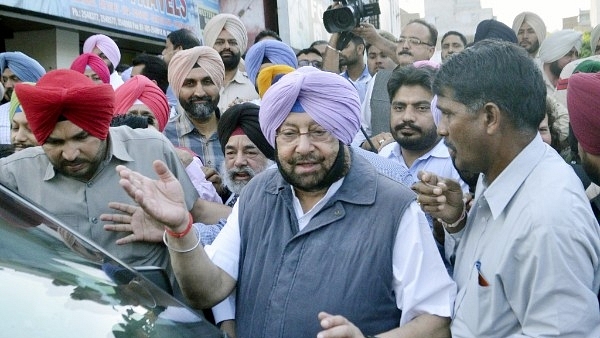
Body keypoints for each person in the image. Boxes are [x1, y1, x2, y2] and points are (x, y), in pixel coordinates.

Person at [110, 67, 455, 338]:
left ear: (343, 132)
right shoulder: (258, 195)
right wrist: (180, 229)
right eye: (289, 133)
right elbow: (208, 290)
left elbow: (435, 322)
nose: (303, 147)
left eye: (319, 131)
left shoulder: (395, 207)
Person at [414, 39, 600, 337]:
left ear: (489, 118)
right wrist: (458, 222)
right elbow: (489, 280)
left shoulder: (548, 218)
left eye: (448, 113)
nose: (441, 128)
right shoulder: (499, 175)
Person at [0, 69, 202, 285]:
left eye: (82, 137)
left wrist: (173, 230)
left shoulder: (153, 149)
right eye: (55, 143)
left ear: (103, 127)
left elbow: (197, 217)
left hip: (162, 310)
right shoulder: (15, 172)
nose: (70, 154)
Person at [354, 19, 438, 150]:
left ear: (431, 51)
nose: (405, 46)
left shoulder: (441, 84)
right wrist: (367, 144)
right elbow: (362, 128)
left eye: (414, 41)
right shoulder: (379, 79)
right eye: (401, 40)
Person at [163, 46, 226, 199]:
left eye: (207, 82)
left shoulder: (238, 132)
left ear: (219, 85)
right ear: (177, 89)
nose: (199, 92)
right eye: (189, 83)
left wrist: (225, 187)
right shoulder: (163, 138)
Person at [203, 14, 259, 113]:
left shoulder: (255, 85)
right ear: (210, 46)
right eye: (220, 42)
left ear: (240, 46)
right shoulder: (197, 86)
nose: (227, 46)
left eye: (232, 42)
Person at [0, 52, 45, 144]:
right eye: (5, 80)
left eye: (15, 78)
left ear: (32, 80)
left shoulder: (49, 112)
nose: (7, 85)